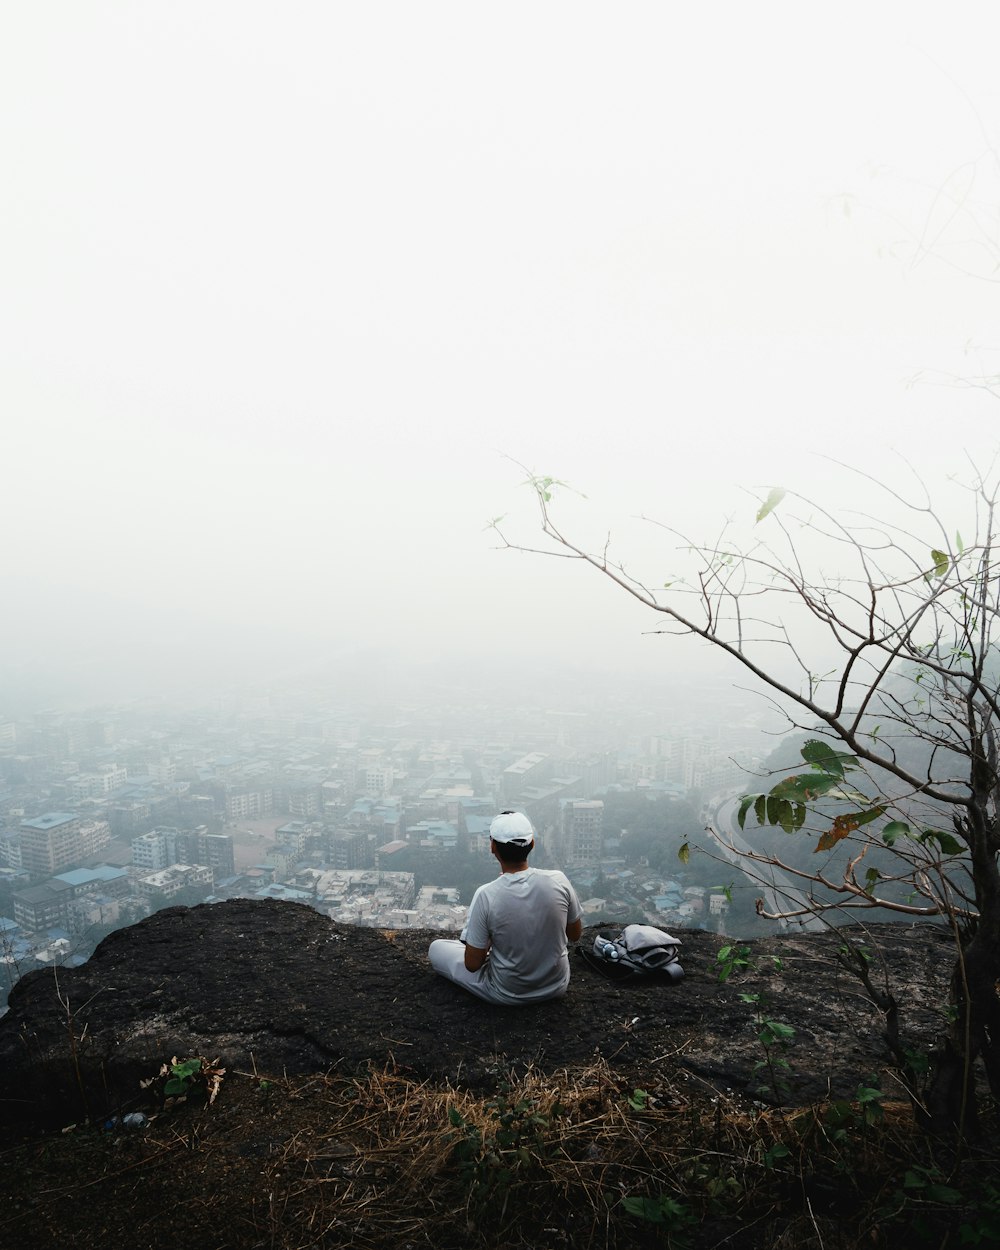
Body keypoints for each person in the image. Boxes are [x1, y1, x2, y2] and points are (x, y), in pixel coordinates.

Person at [428, 810, 583, 1005]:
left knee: (436, 949)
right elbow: (575, 934)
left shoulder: (487, 895)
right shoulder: (558, 880)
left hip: (507, 992)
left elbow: (473, 964)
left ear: (493, 847)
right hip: (556, 985)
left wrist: (492, 937)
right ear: (532, 844)